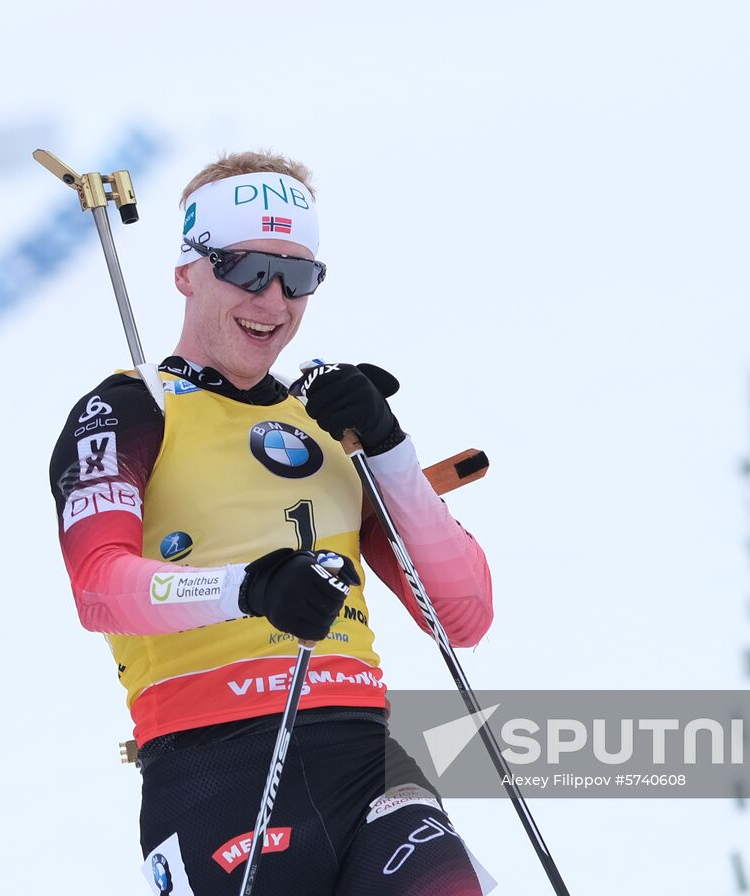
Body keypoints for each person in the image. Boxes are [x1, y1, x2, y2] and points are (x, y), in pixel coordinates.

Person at [48, 151, 493, 895]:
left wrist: (389, 453)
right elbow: (98, 587)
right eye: (248, 269)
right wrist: (250, 589)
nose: (275, 299)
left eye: (299, 276)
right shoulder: (129, 408)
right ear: (188, 270)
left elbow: (464, 613)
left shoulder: (329, 419)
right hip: (211, 765)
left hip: (366, 757)